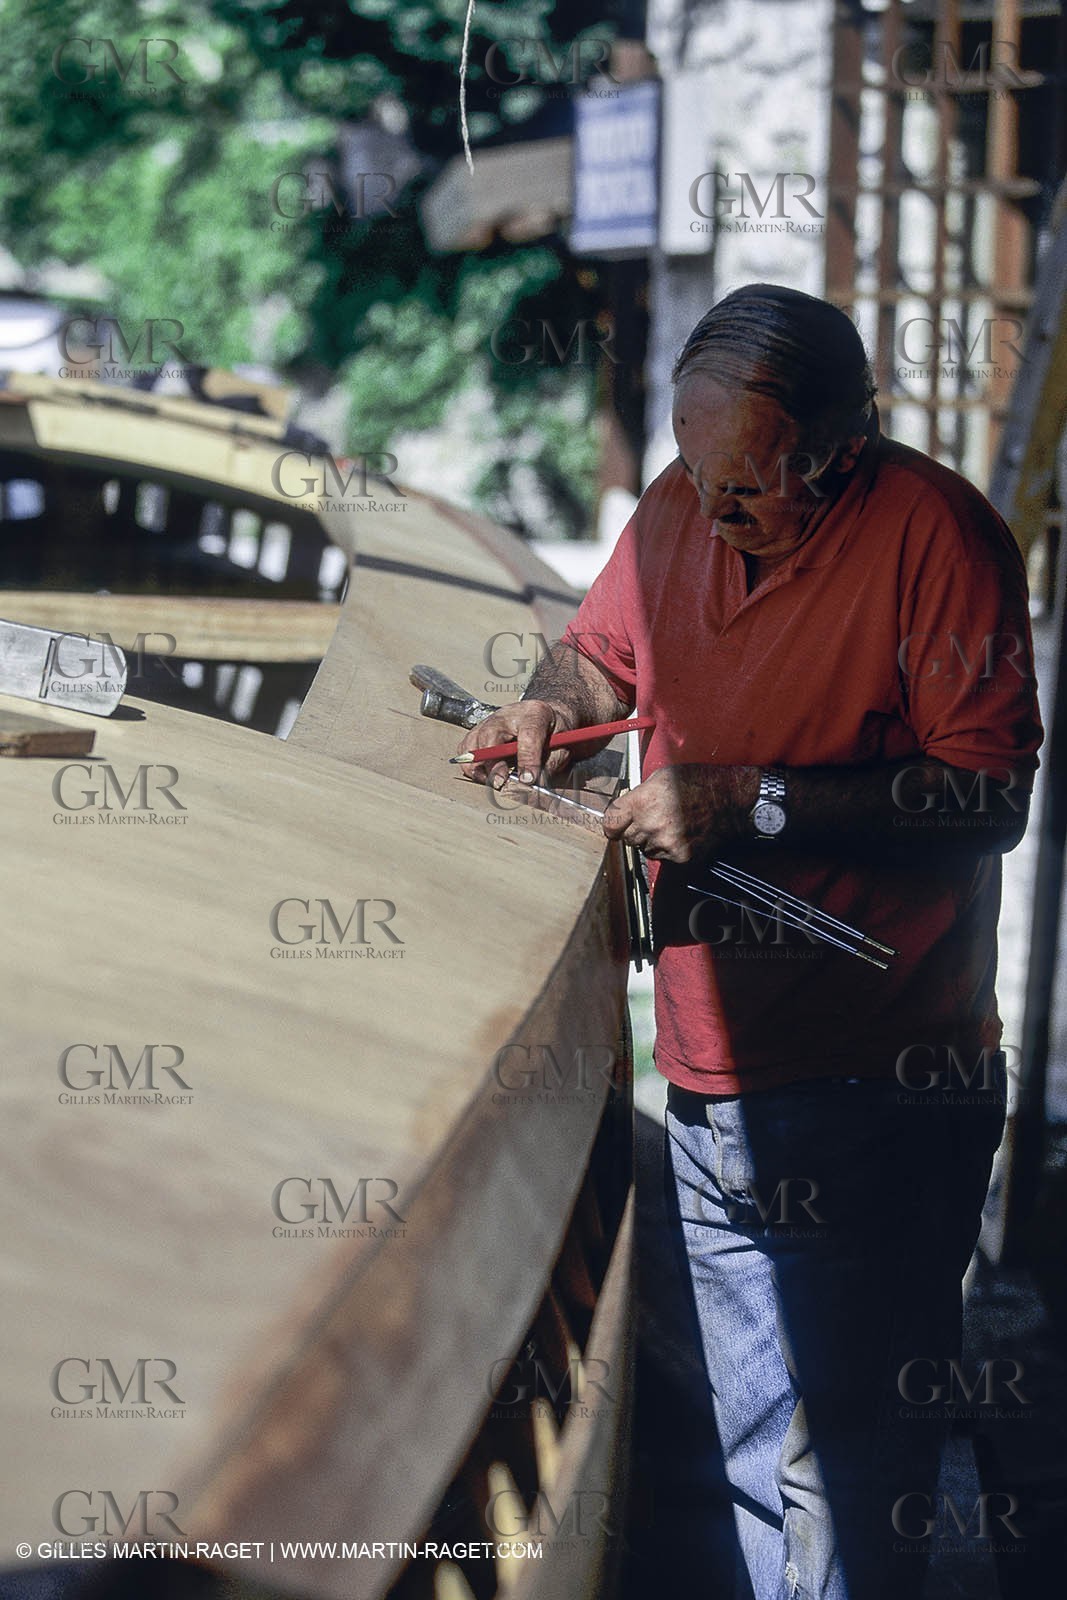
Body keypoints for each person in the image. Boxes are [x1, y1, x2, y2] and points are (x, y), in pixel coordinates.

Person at [458, 284, 1043, 1599]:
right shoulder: (681, 502)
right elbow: (599, 652)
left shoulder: (939, 539)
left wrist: (751, 801)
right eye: (691, 463)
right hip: (715, 1081)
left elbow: (989, 796)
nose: (710, 509)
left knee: (845, 1479)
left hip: (879, 1088)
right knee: (738, 1463)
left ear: (839, 455)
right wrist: (550, 704)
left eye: (747, 484)